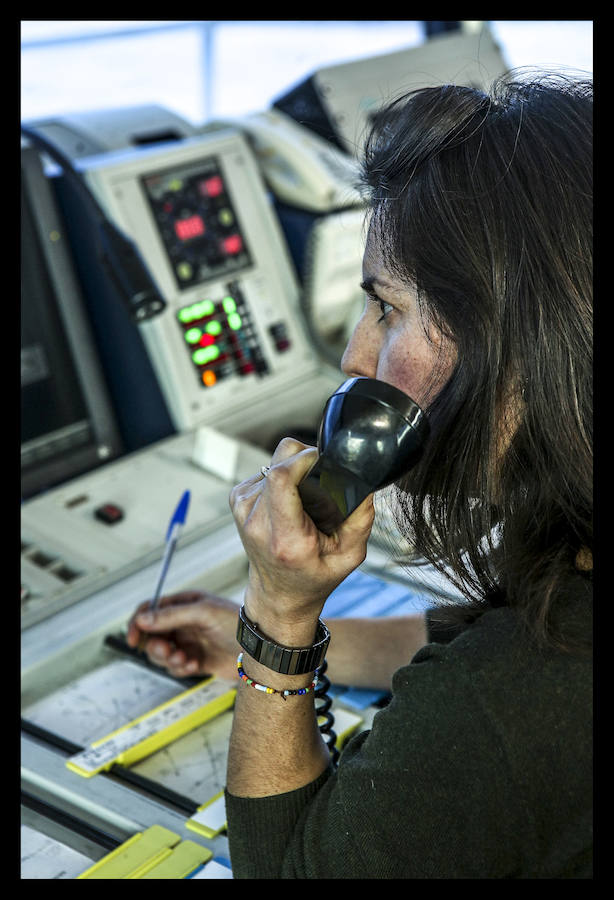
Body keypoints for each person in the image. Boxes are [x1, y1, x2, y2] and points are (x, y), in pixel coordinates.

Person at [127, 72, 592, 878]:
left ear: (517, 341)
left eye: (388, 308)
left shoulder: (509, 699)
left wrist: (277, 620)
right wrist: (321, 649)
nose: (353, 355)